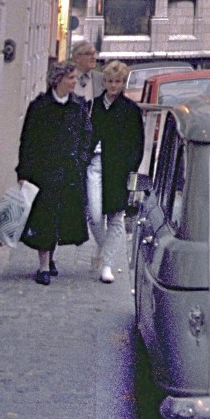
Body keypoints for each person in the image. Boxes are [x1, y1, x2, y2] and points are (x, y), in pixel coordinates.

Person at [16, 61, 90, 286]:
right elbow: (27, 141)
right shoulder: (39, 106)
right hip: (44, 171)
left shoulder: (78, 106)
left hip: (69, 171)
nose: (75, 82)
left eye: (75, 78)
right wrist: (23, 172)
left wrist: (81, 160)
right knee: (45, 217)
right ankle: (43, 266)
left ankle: (52, 257)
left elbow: (87, 135)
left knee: (60, 217)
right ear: (58, 80)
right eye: (71, 78)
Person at [87, 59, 144, 284]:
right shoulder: (93, 106)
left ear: (123, 83)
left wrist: (131, 169)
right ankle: (102, 247)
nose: (113, 85)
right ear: (104, 82)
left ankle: (108, 264)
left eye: (117, 81)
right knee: (93, 213)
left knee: (116, 216)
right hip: (94, 165)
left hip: (118, 168)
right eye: (109, 81)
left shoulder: (130, 110)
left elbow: (137, 143)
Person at [71, 42, 103, 108]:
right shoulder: (65, 78)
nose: (93, 57)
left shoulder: (102, 79)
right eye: (89, 54)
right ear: (77, 58)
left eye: (94, 53)